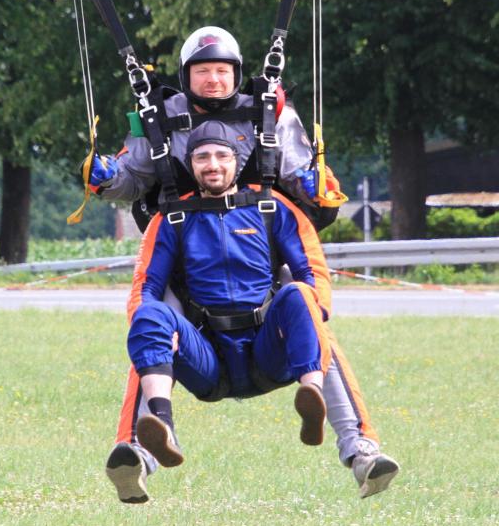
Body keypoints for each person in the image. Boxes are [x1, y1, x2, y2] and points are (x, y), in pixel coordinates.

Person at [104, 121, 399, 503]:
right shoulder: (171, 218)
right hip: (208, 358)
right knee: (149, 318)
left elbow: (313, 271)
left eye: (221, 156)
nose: (213, 165)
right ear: (191, 164)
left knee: (303, 298)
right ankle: (154, 435)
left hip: (267, 350)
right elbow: (144, 288)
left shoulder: (271, 207)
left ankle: (338, 426)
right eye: (202, 157)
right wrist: (156, 332)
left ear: (237, 161)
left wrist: (310, 319)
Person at [87, 26, 322, 211]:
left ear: (235, 74)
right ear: (186, 75)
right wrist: (108, 178)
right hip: (182, 242)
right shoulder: (158, 116)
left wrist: (314, 185)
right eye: (202, 71)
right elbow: (133, 179)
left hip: (259, 240)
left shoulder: (269, 114)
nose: (213, 80)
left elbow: (299, 174)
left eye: (222, 71)